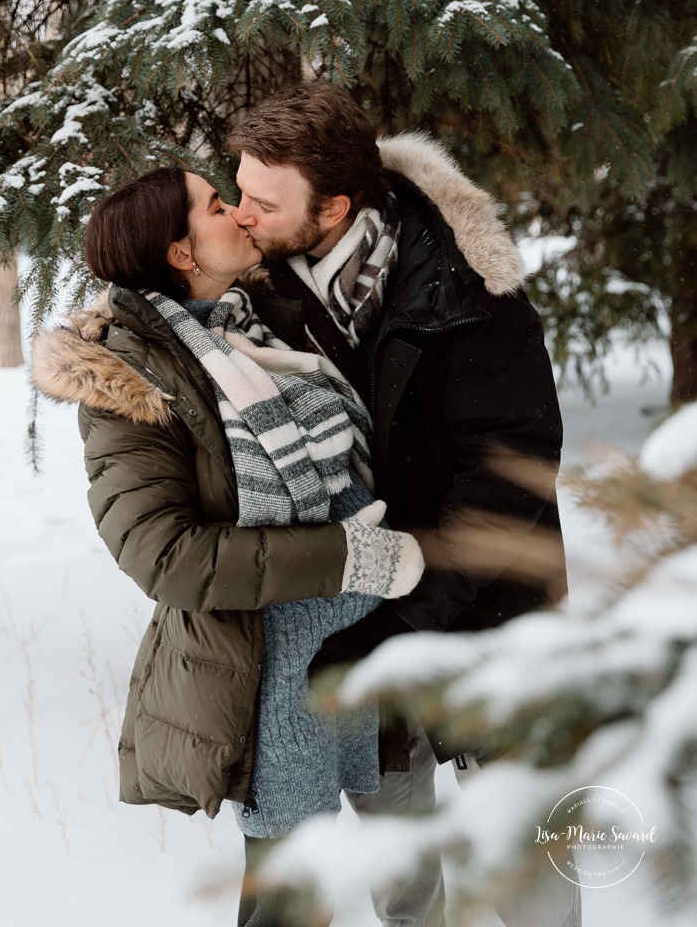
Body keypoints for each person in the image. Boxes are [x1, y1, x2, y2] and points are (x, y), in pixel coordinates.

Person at [30, 166, 426, 924]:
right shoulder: (131, 380)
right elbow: (166, 556)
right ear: (182, 253)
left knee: (406, 880)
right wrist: (348, 558)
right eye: (217, 205)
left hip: (362, 653)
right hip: (267, 677)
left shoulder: (253, 321)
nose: (242, 214)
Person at [228, 83, 580, 927]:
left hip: (489, 621)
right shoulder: (256, 298)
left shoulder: (468, 295)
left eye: (263, 203)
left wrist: (404, 619)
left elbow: (508, 480)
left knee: (528, 877)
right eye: (238, 191)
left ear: (334, 208)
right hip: (353, 628)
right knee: (403, 876)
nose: (240, 215)